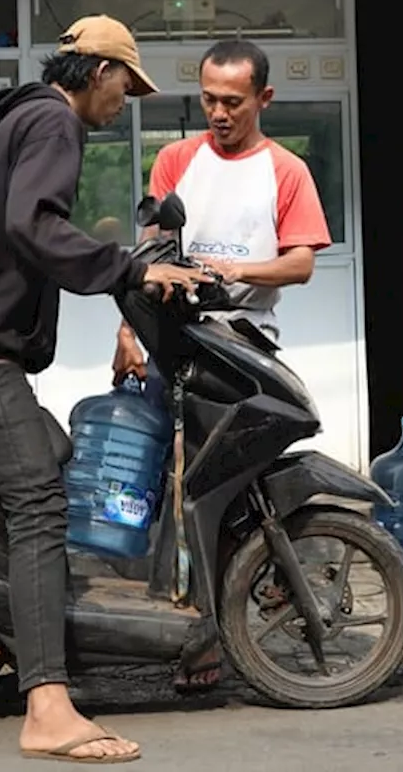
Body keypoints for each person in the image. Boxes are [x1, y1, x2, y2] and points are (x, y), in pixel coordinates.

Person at [0, 14, 211, 764]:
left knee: (54, 453)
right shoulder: (55, 128)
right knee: (40, 505)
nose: (122, 105)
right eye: (125, 90)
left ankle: (8, 636)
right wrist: (129, 270)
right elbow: (34, 224)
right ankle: (47, 707)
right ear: (100, 73)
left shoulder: (9, 124)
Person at [111, 38, 333, 690]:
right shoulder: (176, 161)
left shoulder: (286, 171)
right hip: (177, 346)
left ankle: (229, 614)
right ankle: (189, 636)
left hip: (245, 351)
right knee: (170, 493)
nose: (219, 112)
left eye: (232, 101)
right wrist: (128, 329)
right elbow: (147, 255)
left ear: (263, 98)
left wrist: (239, 268)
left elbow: (301, 261)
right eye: (208, 99)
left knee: (228, 495)